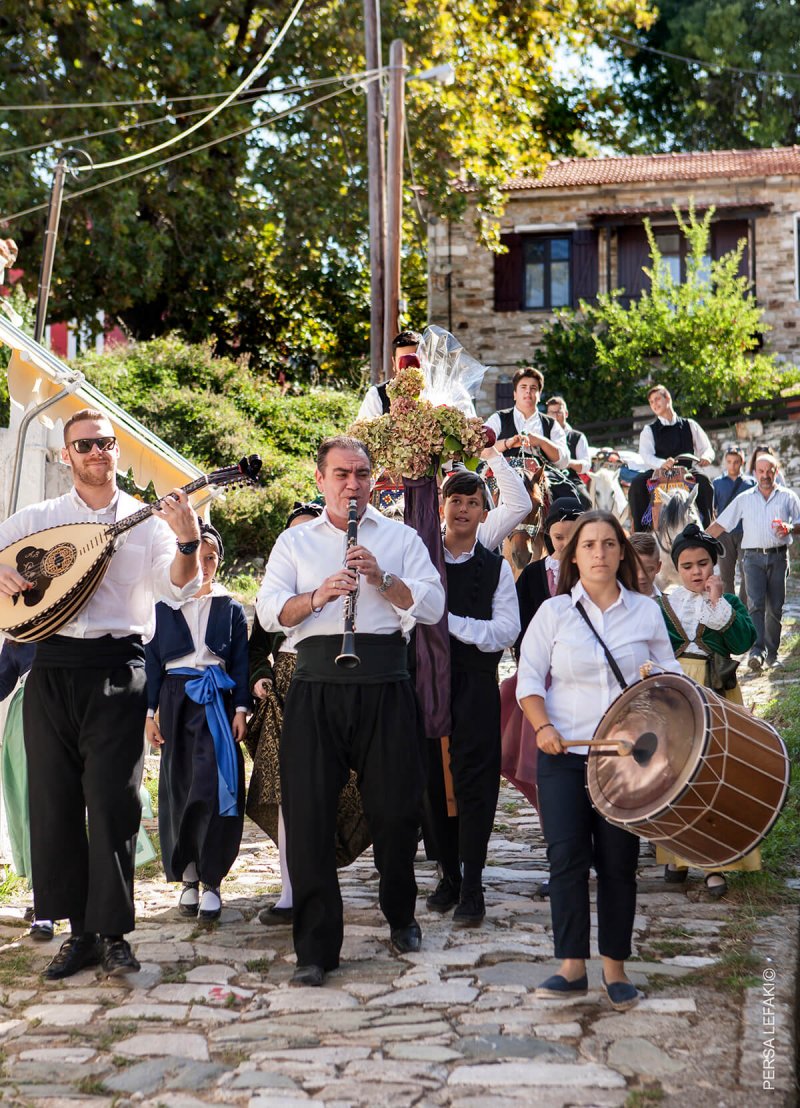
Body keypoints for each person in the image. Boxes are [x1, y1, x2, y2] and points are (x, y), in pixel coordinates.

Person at [0, 408, 203, 980]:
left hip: (118, 666)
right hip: (52, 664)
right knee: (54, 800)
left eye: (105, 444)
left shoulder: (148, 523)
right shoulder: (38, 520)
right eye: (84, 445)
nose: (96, 452)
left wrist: (187, 539)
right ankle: (78, 933)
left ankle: (114, 933)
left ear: (116, 452)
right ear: (66, 455)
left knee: (114, 801)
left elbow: (175, 584)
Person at [256, 435, 445, 986]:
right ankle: (316, 949)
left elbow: (431, 605)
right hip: (316, 682)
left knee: (395, 808)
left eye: (361, 474)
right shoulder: (294, 544)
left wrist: (382, 580)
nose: (352, 485)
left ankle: (400, 911)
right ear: (320, 480)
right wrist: (318, 596)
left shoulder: (402, 538)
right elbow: (270, 613)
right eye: (340, 474)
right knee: (310, 813)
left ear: (374, 479)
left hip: (385, 679)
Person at [517, 510, 680, 1011]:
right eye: (588, 545)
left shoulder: (646, 611)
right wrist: (543, 729)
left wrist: (658, 677)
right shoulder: (554, 613)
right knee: (566, 859)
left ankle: (615, 969)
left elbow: (672, 676)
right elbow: (528, 682)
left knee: (618, 864)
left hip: (625, 760)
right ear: (573, 555)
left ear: (622, 552)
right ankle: (570, 967)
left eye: (609, 544)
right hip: (565, 754)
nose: (599, 554)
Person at [246, 502, 370, 926]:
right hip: (285, 692)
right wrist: (260, 678)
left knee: (343, 788)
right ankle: (289, 891)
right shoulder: (278, 590)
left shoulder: (349, 581)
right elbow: (255, 647)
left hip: (339, 679)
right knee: (287, 794)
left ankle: (322, 875)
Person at [423, 471, 519, 926]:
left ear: (484, 512)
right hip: (427, 684)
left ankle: (474, 881)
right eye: (454, 500)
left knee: (475, 783)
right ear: (442, 507)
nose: (462, 509)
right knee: (430, 783)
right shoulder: (423, 561)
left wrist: (448, 624)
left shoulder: (497, 569)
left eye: (472, 502)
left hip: (477, 685)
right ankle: (447, 873)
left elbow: (504, 632)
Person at [144, 522, 250, 922]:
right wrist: (149, 715)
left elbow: (239, 662)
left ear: (219, 562)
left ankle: (212, 880)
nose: (203, 566)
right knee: (179, 786)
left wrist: (240, 709)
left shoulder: (230, 608)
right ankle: (187, 874)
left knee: (213, 785)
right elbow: (152, 664)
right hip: (174, 701)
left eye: (210, 558)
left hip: (216, 705)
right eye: (197, 557)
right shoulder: (162, 607)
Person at [654, 523, 759, 897]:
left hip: (717, 691)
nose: (696, 571)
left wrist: (718, 602)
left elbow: (745, 641)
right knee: (675, 773)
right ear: (676, 568)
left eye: (703, 563)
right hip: (678, 691)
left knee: (716, 773)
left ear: (714, 565)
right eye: (687, 565)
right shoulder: (664, 604)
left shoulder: (727, 604)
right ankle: (677, 854)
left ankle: (715, 863)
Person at [708, 451, 800, 672]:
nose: (765, 475)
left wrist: (789, 528)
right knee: (755, 605)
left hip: (779, 557)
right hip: (752, 559)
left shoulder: (788, 496)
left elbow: (799, 522)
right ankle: (757, 652)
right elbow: (721, 524)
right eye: (761, 471)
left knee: (775, 608)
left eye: (769, 471)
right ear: (754, 472)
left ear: (776, 472)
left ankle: (772, 654)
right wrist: (695, 539)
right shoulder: (745, 498)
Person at [629, 385, 714, 530]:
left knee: (704, 483)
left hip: (686, 471)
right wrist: (662, 463)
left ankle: (706, 530)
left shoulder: (690, 424)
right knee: (637, 484)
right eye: (651, 402)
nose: (654, 404)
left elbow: (707, 448)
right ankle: (640, 534)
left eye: (657, 399)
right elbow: (646, 455)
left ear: (668, 398)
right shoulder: (649, 430)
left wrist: (706, 457)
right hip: (658, 472)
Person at [514, 497, 586, 656]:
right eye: (559, 537)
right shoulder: (532, 574)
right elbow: (520, 620)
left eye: (573, 536)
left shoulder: (592, 572)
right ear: (549, 534)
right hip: (540, 659)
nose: (567, 543)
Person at [712, 447, 755, 603]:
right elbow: (712, 510)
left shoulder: (751, 483)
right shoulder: (717, 483)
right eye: (729, 462)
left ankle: (742, 608)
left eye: (736, 462)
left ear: (742, 462)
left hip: (746, 533)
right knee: (726, 575)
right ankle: (730, 607)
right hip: (724, 534)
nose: (732, 465)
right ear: (725, 462)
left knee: (747, 574)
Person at [357, 330, 423, 420]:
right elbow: (361, 431)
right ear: (394, 363)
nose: (410, 367)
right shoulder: (376, 396)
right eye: (403, 360)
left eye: (414, 360)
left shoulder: (436, 393)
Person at [545, 395, 591, 481]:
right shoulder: (542, 435)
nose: (554, 417)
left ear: (566, 414)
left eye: (558, 412)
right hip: (546, 480)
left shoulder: (577, 437)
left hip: (570, 480)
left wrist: (567, 462)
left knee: (583, 495)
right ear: (547, 415)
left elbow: (586, 465)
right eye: (551, 413)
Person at [628, 532, 662, 598]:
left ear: (658, 567)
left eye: (648, 570)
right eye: (634, 569)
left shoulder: (671, 604)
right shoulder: (611, 605)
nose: (641, 576)